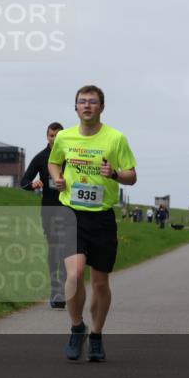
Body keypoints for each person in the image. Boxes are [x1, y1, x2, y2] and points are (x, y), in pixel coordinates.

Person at [49, 84, 137, 362]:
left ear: (102, 107)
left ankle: (96, 335)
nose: (87, 106)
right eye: (82, 101)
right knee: (74, 274)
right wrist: (57, 177)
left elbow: (132, 176)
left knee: (100, 283)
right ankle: (77, 327)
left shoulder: (116, 138)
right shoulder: (64, 137)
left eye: (93, 101)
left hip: (102, 217)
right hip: (71, 213)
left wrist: (114, 174)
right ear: (75, 107)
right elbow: (54, 162)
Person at [20, 122, 67, 309]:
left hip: (70, 209)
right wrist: (32, 185)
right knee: (55, 248)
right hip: (49, 210)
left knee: (67, 249)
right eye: (51, 135)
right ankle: (55, 288)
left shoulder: (71, 156)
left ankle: (64, 288)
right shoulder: (41, 158)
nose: (54, 139)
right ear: (47, 137)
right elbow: (24, 181)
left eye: (58, 135)